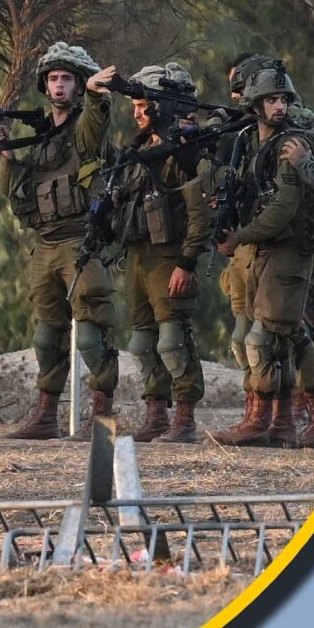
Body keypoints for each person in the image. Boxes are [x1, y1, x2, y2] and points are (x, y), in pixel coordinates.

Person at [211, 59, 314, 447]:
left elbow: (284, 208)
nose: (279, 106)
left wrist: (241, 236)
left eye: (283, 99)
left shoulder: (290, 145)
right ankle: (282, 424)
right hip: (265, 250)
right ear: (255, 104)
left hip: (287, 249)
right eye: (271, 100)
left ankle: (259, 421)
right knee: (283, 339)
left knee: (262, 340)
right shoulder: (251, 142)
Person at [0, 40, 118, 438]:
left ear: (78, 86)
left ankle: (101, 418)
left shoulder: (84, 131)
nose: (59, 86)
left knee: (92, 336)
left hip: (80, 242)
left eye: (67, 79)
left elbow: (97, 123)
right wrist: (6, 157)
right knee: (46, 337)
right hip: (44, 245)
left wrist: (96, 95)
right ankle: (45, 417)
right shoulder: (39, 137)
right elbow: (18, 196)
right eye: (53, 79)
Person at [90, 59, 212, 443]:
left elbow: (198, 213)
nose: (139, 113)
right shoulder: (137, 151)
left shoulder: (185, 150)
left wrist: (187, 262)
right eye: (136, 107)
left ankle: (185, 419)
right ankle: (156, 415)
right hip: (138, 256)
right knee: (142, 343)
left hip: (169, 255)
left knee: (173, 341)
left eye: (146, 106)